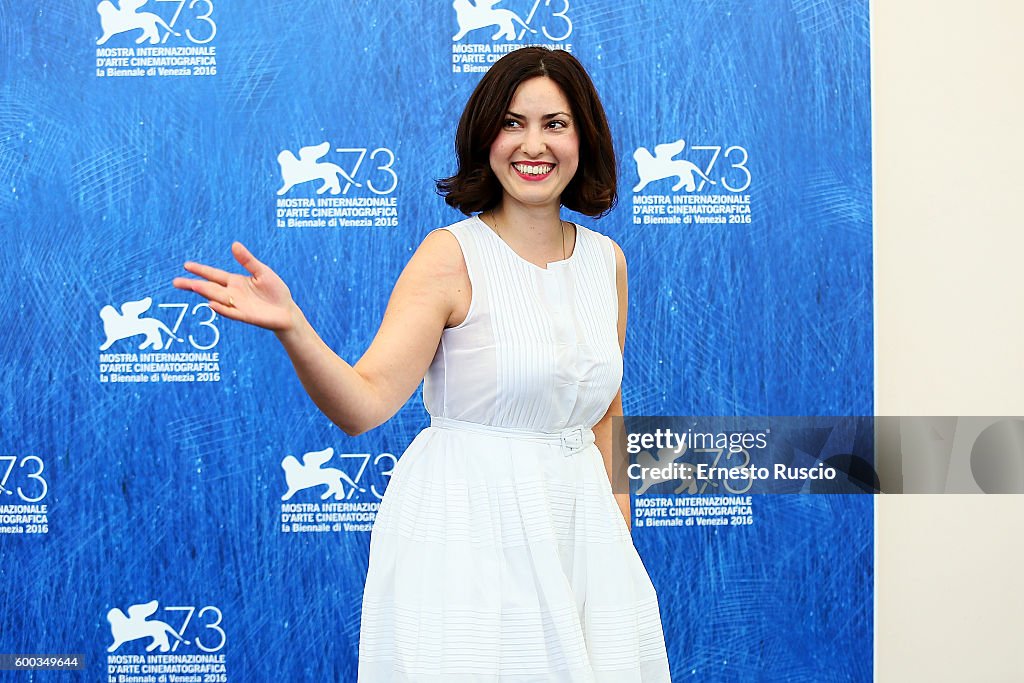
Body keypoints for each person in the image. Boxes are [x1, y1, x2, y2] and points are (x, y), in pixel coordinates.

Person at [174, 46, 671, 682]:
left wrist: (616, 541)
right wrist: (293, 327)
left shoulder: (609, 262)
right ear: (485, 136)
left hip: (583, 540)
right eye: (512, 122)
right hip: (469, 534)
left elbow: (605, 414)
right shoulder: (449, 257)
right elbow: (364, 403)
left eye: (555, 124)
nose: (533, 145)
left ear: (584, 139)